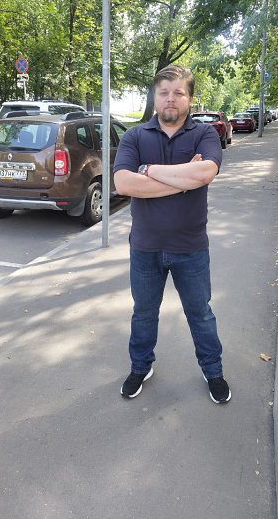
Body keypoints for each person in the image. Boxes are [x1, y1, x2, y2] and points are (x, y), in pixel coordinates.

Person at [113, 65, 231, 404]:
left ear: (189, 98)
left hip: (190, 247)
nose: (170, 99)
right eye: (164, 92)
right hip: (145, 247)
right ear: (155, 96)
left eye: (178, 93)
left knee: (201, 314)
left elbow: (205, 173)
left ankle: (213, 371)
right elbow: (123, 183)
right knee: (143, 313)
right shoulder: (135, 136)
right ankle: (140, 367)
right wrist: (183, 180)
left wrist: (148, 171)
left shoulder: (204, 134)